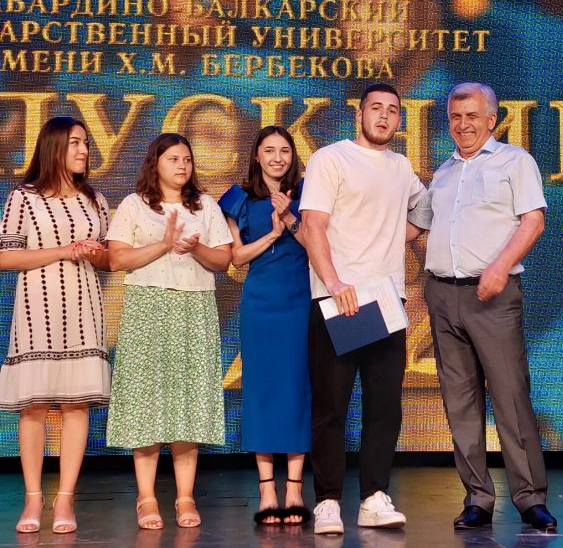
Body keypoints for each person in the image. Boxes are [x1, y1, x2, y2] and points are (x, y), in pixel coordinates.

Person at [408, 82, 556, 531]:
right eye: (455, 117)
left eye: (472, 116)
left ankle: (530, 498)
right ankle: (477, 498)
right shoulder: (444, 173)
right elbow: (414, 230)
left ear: (492, 120)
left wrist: (500, 266)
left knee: (510, 397)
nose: (463, 124)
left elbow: (534, 220)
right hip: (443, 295)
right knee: (460, 402)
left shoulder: (515, 161)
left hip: (492, 295)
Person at [300, 82, 426, 535]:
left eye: (392, 110)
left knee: (384, 407)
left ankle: (374, 496)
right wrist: (334, 282)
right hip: (340, 300)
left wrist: (398, 235)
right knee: (331, 407)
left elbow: (421, 213)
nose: (384, 116)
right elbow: (312, 224)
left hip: (386, 302)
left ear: (399, 120)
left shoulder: (401, 167)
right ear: (360, 114)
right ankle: (328, 501)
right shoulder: (330, 159)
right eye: (376, 108)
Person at [106, 133, 232, 529]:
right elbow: (116, 259)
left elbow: (223, 260)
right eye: (174, 159)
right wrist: (163, 244)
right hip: (148, 307)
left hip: (194, 308)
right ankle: (146, 498)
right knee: (145, 400)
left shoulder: (206, 205)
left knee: (187, 402)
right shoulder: (134, 204)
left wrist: (194, 248)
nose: (182, 166)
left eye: (187, 159)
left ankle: (184, 497)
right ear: (155, 163)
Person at [0, 116, 111, 534]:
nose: (84, 150)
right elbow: (6, 257)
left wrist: (94, 253)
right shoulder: (24, 197)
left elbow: (107, 258)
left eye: (86, 143)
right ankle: (33, 497)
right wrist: (64, 250)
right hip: (37, 310)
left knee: (75, 405)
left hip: (84, 309)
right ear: (54, 148)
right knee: (34, 406)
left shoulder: (95, 200)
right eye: (75, 143)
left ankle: (65, 498)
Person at [218, 126, 311, 526]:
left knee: (297, 389)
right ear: (256, 155)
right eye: (269, 150)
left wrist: (288, 218)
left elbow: (317, 246)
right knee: (260, 391)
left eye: (284, 151)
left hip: (300, 302)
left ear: (293, 156)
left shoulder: (308, 194)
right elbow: (237, 257)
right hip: (259, 303)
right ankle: (267, 490)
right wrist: (272, 233)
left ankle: (295, 489)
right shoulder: (237, 199)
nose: (277, 158)